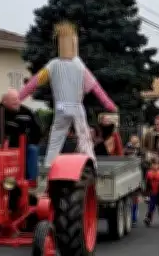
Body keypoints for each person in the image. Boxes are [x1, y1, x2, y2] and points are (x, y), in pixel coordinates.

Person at [19, 21, 116, 168]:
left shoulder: (53, 65)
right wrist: (109, 104)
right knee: (84, 139)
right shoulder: (79, 65)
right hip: (76, 108)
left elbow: (34, 83)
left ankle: (48, 165)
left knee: (56, 137)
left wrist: (18, 97)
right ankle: (92, 165)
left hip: (60, 108)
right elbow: (96, 88)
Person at [0, 89, 42, 181]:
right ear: (4, 101)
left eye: (18, 99)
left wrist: (29, 141)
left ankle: (30, 182)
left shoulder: (27, 112)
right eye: (13, 99)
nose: (17, 102)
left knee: (33, 149)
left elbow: (37, 131)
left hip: (22, 146)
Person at [144, 156, 159, 227]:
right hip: (152, 192)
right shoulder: (149, 173)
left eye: (157, 164)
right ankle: (148, 219)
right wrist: (146, 194)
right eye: (153, 164)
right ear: (151, 165)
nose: (155, 166)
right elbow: (147, 184)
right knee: (151, 206)